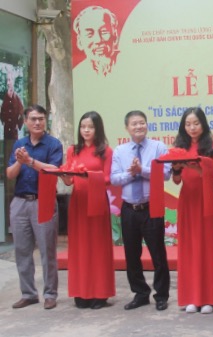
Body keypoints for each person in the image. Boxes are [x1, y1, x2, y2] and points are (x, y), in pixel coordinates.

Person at [110, 110, 171, 311]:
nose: (138, 127)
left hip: (150, 207)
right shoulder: (120, 151)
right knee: (131, 254)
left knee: (158, 254)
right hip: (129, 209)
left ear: (147, 125)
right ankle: (140, 293)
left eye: (142, 123)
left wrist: (142, 170)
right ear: (127, 128)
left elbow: (166, 173)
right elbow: (114, 178)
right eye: (134, 124)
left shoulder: (158, 147)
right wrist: (131, 173)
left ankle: (161, 295)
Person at [6, 104, 63, 310]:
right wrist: (21, 161)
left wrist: (30, 161)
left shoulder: (53, 144)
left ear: (45, 120)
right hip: (20, 201)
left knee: (47, 250)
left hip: (44, 200)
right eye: (33, 119)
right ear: (26, 122)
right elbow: (10, 174)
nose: (37, 122)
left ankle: (50, 293)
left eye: (41, 118)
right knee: (22, 250)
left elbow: (54, 170)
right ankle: (28, 293)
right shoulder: (19, 144)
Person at [61, 111, 115, 309]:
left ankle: (100, 294)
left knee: (98, 247)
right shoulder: (72, 150)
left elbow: (108, 179)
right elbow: (69, 180)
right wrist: (64, 176)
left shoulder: (106, 151)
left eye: (90, 127)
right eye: (83, 127)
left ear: (97, 129)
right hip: (78, 203)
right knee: (80, 247)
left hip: (97, 201)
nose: (86, 130)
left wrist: (89, 176)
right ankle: (81, 291)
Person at [172, 107, 213, 314]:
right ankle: (191, 297)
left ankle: (209, 298)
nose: (192, 128)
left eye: (196, 123)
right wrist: (176, 167)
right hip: (187, 200)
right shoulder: (179, 147)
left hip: (205, 199)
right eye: (188, 124)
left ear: (203, 124)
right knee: (189, 248)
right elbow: (176, 180)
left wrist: (191, 165)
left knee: (207, 247)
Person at [73, 6, 119, 76]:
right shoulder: (78, 73)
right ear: (80, 42)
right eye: (89, 34)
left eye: (104, 31)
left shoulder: (131, 64)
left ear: (115, 36)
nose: (98, 40)